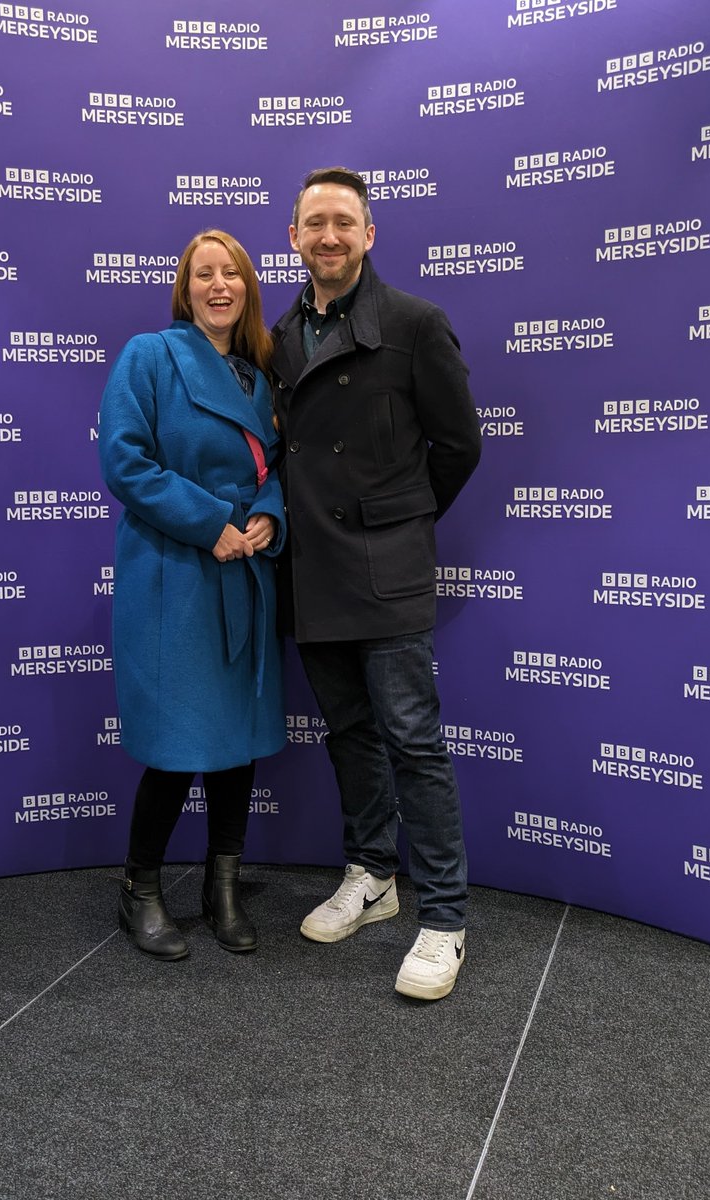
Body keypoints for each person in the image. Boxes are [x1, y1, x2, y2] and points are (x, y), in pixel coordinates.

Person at [271, 167, 482, 1000]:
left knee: (414, 741)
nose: (329, 236)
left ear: (369, 234)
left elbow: (458, 446)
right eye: (314, 223)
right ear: (294, 237)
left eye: (344, 223)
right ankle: (371, 875)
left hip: (386, 568)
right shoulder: (279, 332)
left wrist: (398, 523)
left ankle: (444, 917)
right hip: (313, 570)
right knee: (349, 732)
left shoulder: (413, 322)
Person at [99, 229, 286, 961]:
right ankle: (139, 890)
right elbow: (125, 460)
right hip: (175, 573)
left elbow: (273, 466)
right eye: (203, 273)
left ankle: (223, 886)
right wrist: (211, 525)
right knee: (178, 743)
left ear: (246, 288)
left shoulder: (257, 376)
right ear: (186, 288)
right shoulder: (149, 355)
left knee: (235, 745)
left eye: (231, 273)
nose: (218, 284)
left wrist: (271, 511)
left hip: (248, 570)